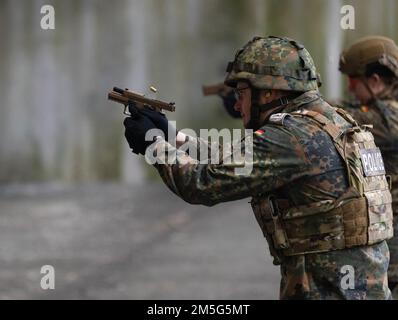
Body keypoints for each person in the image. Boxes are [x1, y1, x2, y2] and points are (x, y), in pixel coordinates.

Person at [123, 36, 393, 299]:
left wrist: (153, 144)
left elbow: (202, 183)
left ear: (269, 92)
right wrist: (174, 136)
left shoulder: (291, 136)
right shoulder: (334, 121)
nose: (238, 104)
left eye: (242, 93)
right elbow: (240, 158)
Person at [338, 35, 398, 298]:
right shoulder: (383, 108)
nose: (351, 89)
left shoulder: (389, 118)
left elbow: (337, 116)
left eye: (353, 80)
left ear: (374, 81)